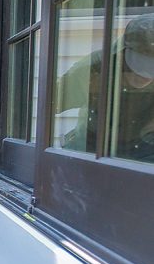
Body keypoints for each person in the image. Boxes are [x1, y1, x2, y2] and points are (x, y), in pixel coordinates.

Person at [56, 13, 154, 161]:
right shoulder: (95, 68)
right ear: (122, 53)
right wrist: (86, 88)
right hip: (91, 150)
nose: (147, 75)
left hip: (145, 154)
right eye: (142, 65)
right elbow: (52, 103)